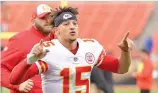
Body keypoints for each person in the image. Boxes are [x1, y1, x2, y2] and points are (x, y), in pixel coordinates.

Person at [9, 6, 134, 93]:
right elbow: (14, 80)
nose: (72, 27)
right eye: (66, 24)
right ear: (56, 31)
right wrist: (29, 60)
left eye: (74, 23)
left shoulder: (89, 47)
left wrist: (125, 52)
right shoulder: (48, 51)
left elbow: (121, 68)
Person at [1, 4, 54, 93]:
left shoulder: (58, 39)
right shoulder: (20, 40)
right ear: (33, 21)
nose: (48, 21)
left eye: (50, 17)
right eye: (43, 18)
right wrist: (16, 85)